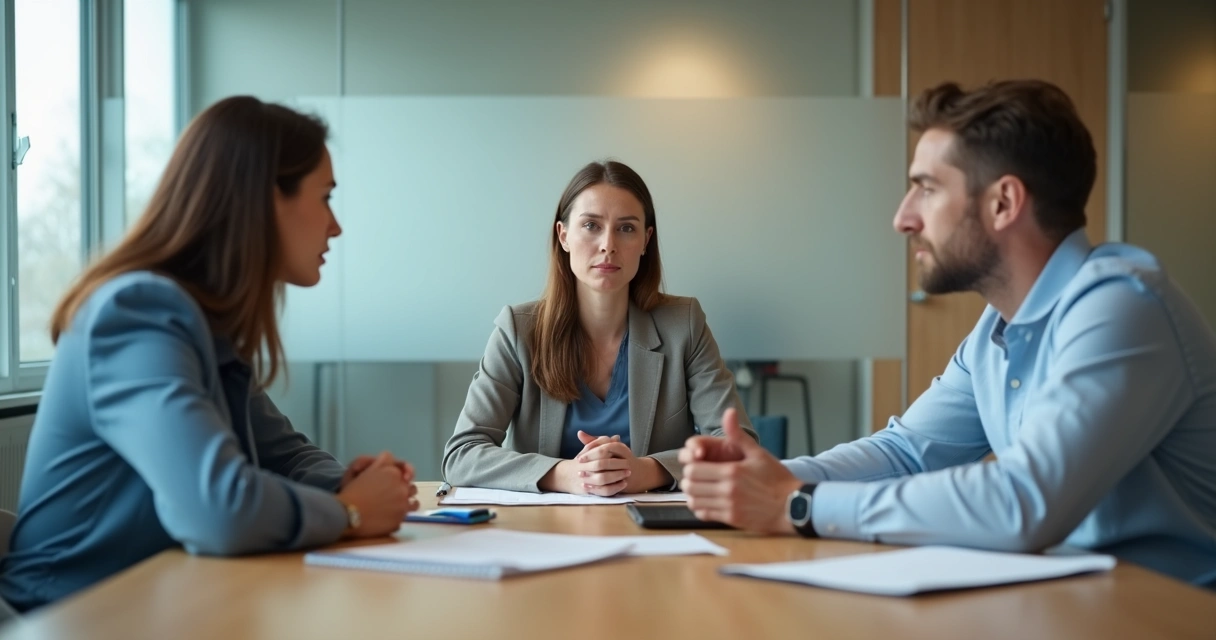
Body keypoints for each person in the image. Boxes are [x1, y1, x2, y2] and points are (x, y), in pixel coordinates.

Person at [680, 80, 1216, 587]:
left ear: (1003, 203)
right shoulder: (995, 331)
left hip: (1169, 614)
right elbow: (907, 452)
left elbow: (1024, 501)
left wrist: (798, 503)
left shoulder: (1122, 307)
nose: (902, 218)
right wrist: (765, 476)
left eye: (926, 189)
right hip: (1076, 602)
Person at [0, 97, 419, 612]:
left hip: (159, 599)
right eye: (326, 197)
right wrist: (349, 511)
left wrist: (345, 481)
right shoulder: (139, 314)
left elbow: (281, 453)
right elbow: (217, 510)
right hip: (72, 614)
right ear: (266, 199)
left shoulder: (203, 322)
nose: (336, 226)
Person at [443, 160, 754, 495]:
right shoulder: (517, 331)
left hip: (655, 534)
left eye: (626, 228)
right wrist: (567, 475)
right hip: (543, 533)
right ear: (563, 236)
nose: (608, 245)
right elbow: (462, 455)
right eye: (591, 226)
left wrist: (645, 472)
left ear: (646, 240)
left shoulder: (684, 325)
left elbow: (739, 446)